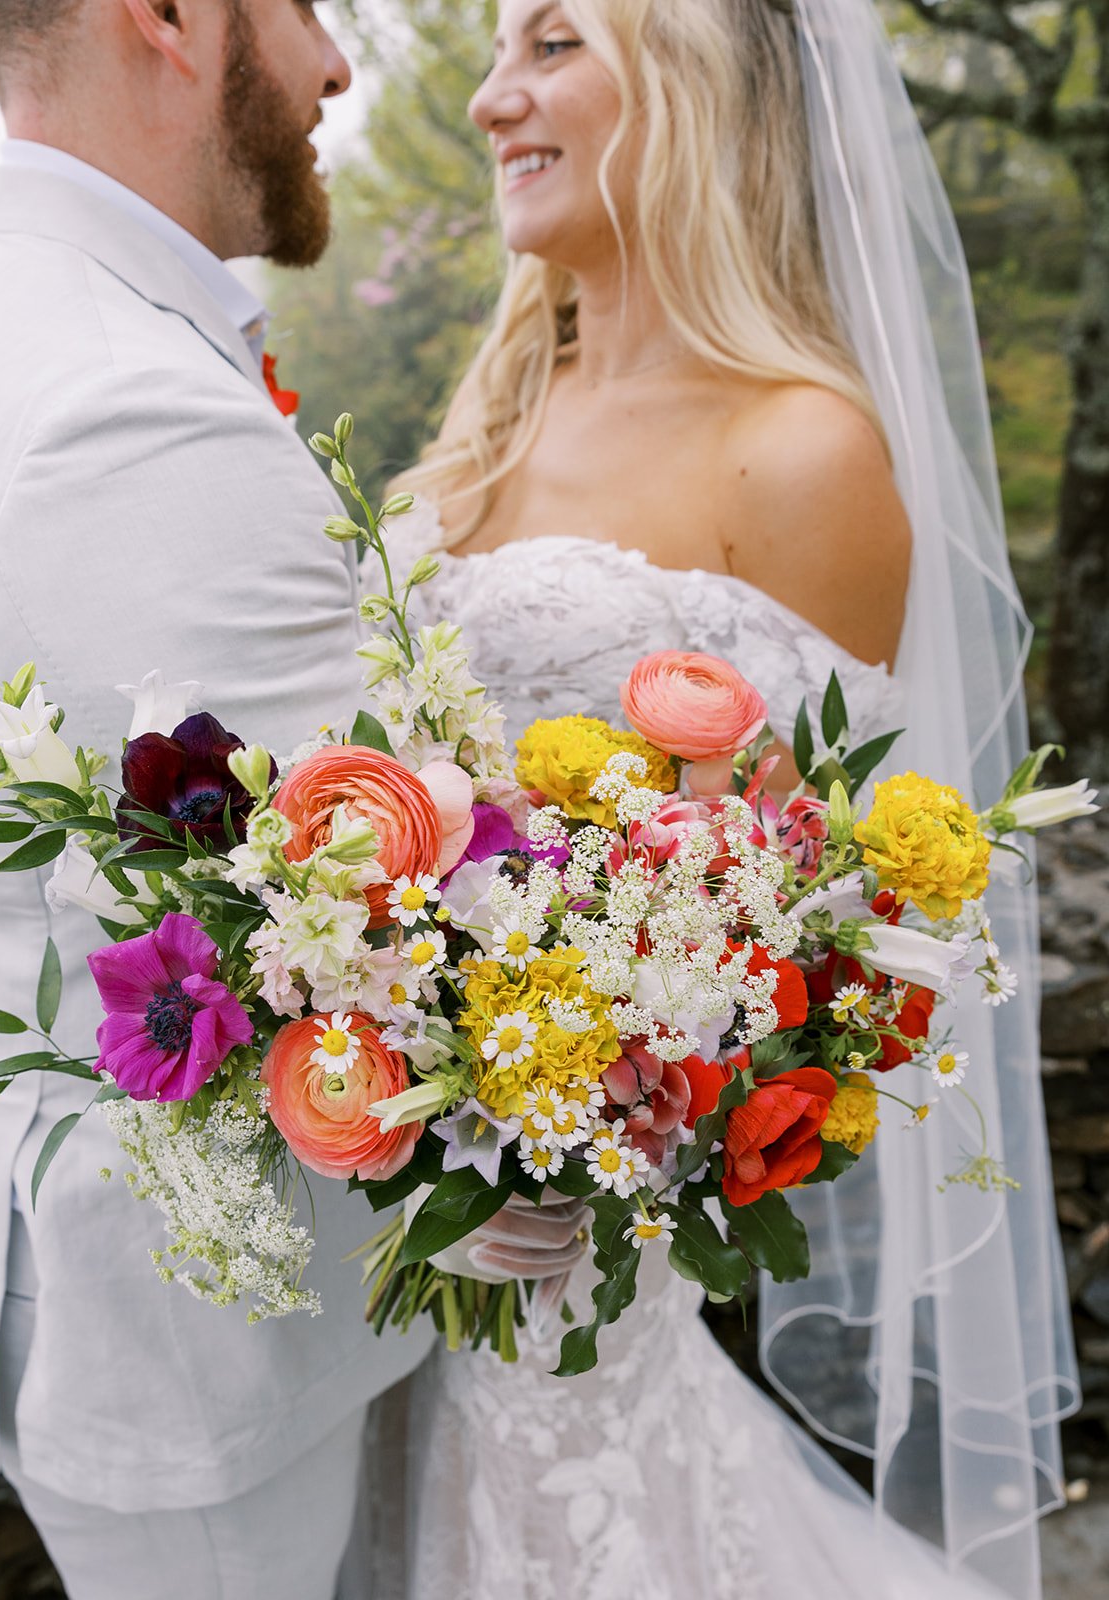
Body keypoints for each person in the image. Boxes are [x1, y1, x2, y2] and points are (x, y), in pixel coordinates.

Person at [369, 1, 1080, 1597]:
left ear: (693, 81)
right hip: (376, 1307)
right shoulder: (471, 444)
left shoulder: (805, 454)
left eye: (552, 42)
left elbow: (802, 945)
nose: (492, 100)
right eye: (496, 51)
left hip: (580, 1305)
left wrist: (558, 1149)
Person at [0, 4, 431, 1598]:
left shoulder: (32, 316)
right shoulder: (122, 409)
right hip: (180, 1344)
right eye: (309, 8)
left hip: (89, 1278)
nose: (336, 65)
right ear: (171, 20)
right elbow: (350, 924)